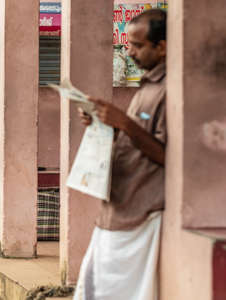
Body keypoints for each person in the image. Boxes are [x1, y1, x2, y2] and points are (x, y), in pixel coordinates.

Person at [73, 9, 167, 300]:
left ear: (161, 46)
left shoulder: (170, 91)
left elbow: (168, 156)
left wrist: (123, 122)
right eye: (129, 45)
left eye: (137, 46)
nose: (130, 52)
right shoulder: (148, 86)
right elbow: (137, 138)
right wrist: (108, 127)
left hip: (140, 213)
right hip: (117, 208)